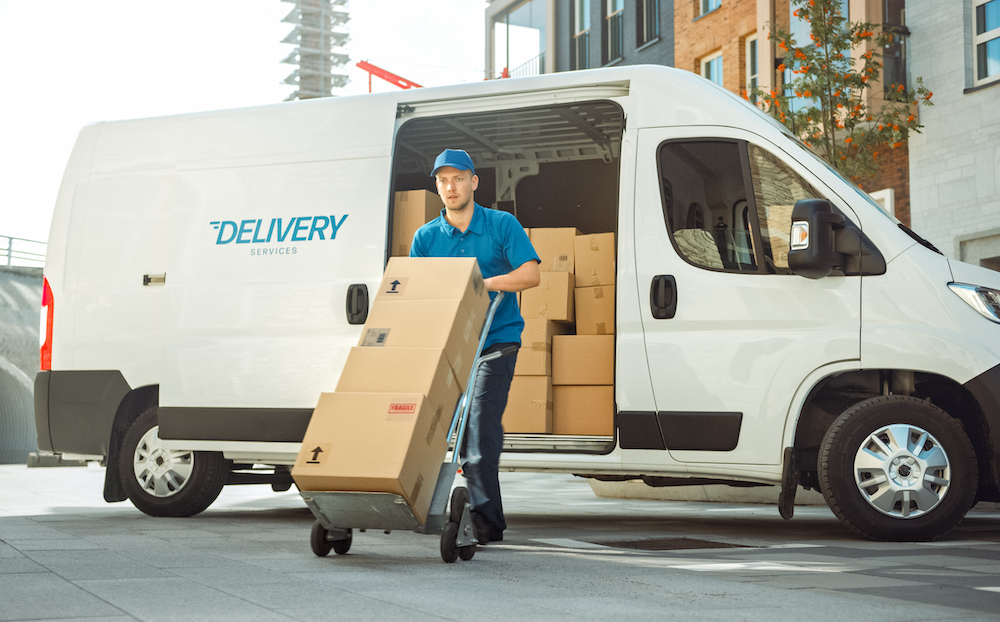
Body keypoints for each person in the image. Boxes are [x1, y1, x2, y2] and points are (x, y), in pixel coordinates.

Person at [410, 148, 540, 544]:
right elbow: (417, 291)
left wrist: (482, 285)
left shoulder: (502, 225)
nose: (451, 187)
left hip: (495, 343)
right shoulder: (427, 237)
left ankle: (487, 522)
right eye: (443, 180)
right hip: (448, 347)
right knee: (423, 427)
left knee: (479, 431)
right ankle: (414, 501)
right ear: (437, 186)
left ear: (474, 182)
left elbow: (530, 274)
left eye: (458, 178)